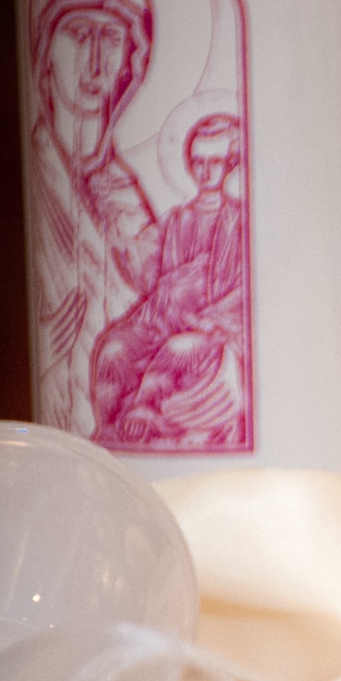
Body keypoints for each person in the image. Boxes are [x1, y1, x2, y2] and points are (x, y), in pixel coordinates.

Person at [25, 0, 159, 438]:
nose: (96, 62)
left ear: (130, 58)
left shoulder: (125, 194)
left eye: (111, 38)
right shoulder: (37, 176)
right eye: (79, 35)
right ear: (46, 51)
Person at [91, 113, 249, 447]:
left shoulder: (239, 221)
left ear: (230, 164)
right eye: (198, 162)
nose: (205, 170)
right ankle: (107, 431)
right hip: (166, 321)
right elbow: (158, 280)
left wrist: (209, 318)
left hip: (211, 330)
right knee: (114, 349)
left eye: (215, 162)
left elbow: (244, 290)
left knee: (181, 348)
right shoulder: (179, 218)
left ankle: (141, 410)